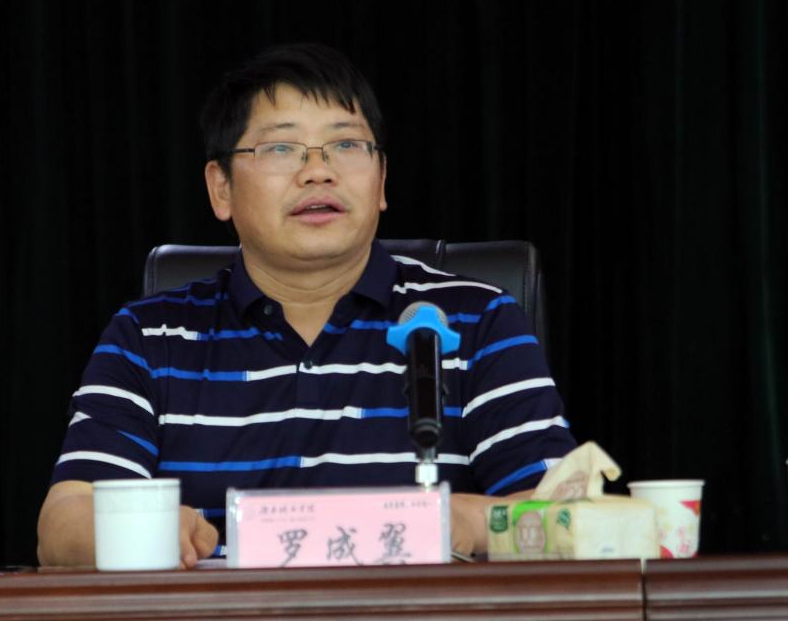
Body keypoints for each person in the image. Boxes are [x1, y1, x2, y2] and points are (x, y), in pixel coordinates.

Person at [37, 43, 577, 568]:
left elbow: (570, 520)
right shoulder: (149, 337)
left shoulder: (475, 322)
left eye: (346, 145)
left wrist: (467, 522)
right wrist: (143, 526)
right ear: (221, 188)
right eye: (281, 148)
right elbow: (62, 526)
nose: (318, 171)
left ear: (381, 179)